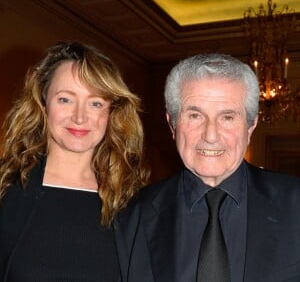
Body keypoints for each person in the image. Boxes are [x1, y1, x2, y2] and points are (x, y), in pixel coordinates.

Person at [115, 54, 300, 282]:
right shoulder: (134, 214)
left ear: (251, 127)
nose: (210, 136)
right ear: (172, 124)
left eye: (227, 117)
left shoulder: (295, 203)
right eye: (195, 116)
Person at [0, 42, 149, 281]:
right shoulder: (5, 186)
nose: (80, 117)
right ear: (43, 102)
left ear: (111, 112)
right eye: (65, 100)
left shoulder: (132, 202)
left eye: (96, 103)